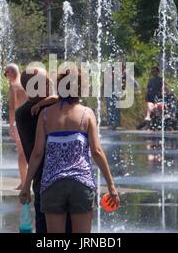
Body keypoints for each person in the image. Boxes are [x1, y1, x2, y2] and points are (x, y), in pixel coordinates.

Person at [19, 68, 120, 233]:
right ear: (81, 89)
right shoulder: (87, 114)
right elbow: (96, 151)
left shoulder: (45, 115)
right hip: (81, 183)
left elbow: (37, 154)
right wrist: (111, 186)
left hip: (52, 183)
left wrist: (26, 186)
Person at [15, 67, 71, 233]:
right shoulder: (43, 110)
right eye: (46, 81)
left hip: (41, 181)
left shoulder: (22, 112)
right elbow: (65, 97)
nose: (51, 83)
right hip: (53, 180)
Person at [5, 63, 28, 190]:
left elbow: (12, 108)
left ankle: (24, 182)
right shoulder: (27, 84)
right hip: (30, 121)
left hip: (20, 122)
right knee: (31, 152)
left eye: (5, 73)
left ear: (10, 72)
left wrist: (11, 125)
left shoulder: (14, 86)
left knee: (21, 154)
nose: (6, 76)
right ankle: (27, 181)